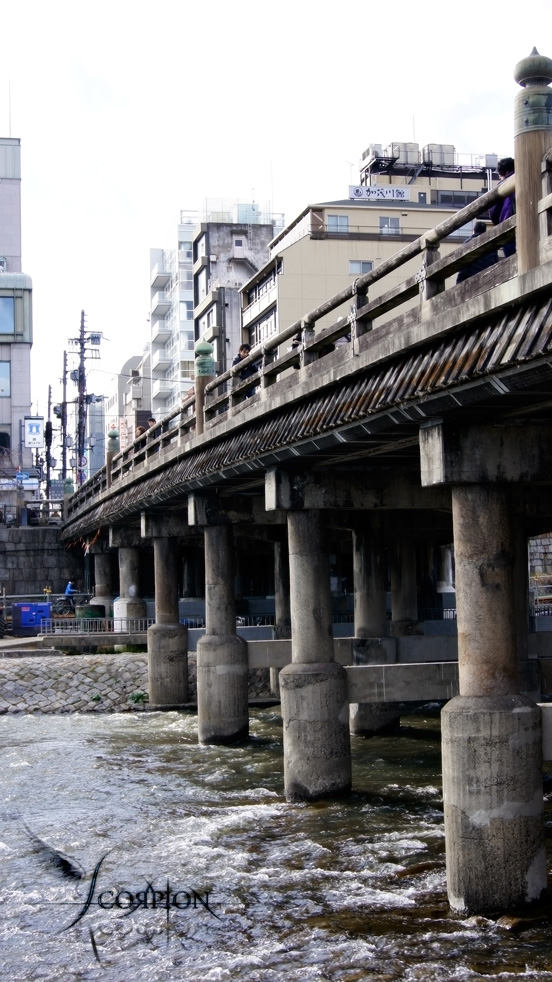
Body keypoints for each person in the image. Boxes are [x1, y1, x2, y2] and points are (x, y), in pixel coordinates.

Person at [489, 157, 516, 257]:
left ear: (505, 172)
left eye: (500, 175)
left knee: (512, 259)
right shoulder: (524, 176)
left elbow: (493, 213)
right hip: (529, 223)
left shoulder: (502, 187)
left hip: (507, 226)